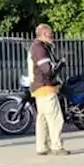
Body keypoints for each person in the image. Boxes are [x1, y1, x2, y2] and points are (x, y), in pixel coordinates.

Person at [28, 23, 67, 156]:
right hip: (45, 87)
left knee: (42, 119)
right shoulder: (39, 49)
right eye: (51, 35)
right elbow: (47, 70)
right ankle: (57, 146)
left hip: (38, 88)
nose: (53, 37)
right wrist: (60, 64)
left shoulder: (37, 47)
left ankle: (42, 147)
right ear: (44, 34)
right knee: (55, 119)